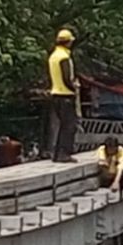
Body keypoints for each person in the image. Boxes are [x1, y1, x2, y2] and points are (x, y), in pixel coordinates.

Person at [47, 28, 79, 162]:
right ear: (68, 42)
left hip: (55, 93)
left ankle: (57, 154)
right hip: (65, 94)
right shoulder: (64, 57)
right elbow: (66, 77)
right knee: (70, 125)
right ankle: (64, 153)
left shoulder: (53, 55)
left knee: (62, 125)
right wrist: (74, 88)